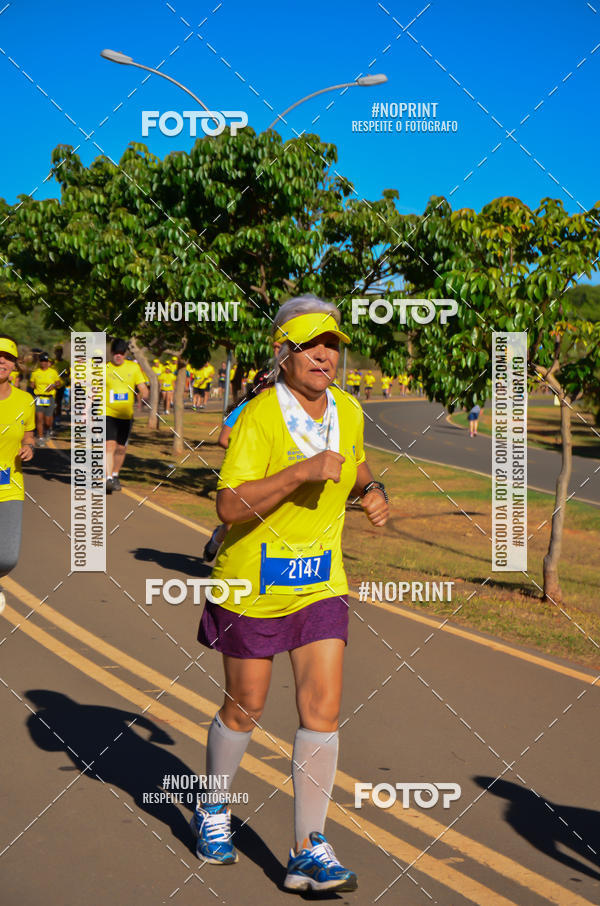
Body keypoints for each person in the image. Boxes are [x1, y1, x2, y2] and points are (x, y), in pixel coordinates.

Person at [193, 295, 389, 893]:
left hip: (320, 581)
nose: (324, 356)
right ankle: (213, 807)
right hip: (251, 582)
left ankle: (308, 848)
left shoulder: (348, 410)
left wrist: (372, 486)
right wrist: (300, 473)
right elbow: (228, 505)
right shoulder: (258, 417)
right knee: (246, 706)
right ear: (283, 353)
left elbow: (351, 461)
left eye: (332, 345)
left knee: (322, 709)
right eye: (310, 345)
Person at [203, 367, 273, 563]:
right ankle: (217, 539)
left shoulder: (280, 411)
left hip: (268, 474)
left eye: (272, 387)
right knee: (234, 522)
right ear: (257, 388)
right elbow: (223, 439)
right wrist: (248, 451)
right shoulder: (245, 408)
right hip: (244, 471)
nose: (268, 391)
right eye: (264, 387)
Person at [0, 335, 35, 613]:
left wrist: (28, 448)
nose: (2, 361)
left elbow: (29, 436)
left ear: (14, 366)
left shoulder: (25, 400)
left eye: (8, 357)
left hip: (9, 485)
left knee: (7, 558)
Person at [105, 338, 148, 493]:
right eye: (116, 352)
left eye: (121, 353)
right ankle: (108, 478)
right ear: (111, 353)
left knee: (121, 448)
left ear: (125, 354)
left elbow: (142, 386)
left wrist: (144, 393)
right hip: (108, 413)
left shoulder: (134, 368)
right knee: (109, 445)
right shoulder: (104, 369)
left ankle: (115, 475)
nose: (119, 355)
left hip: (126, 416)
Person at [30, 352, 62, 446]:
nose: (44, 363)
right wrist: (32, 385)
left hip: (50, 398)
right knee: (39, 418)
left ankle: (48, 429)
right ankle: (40, 438)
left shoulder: (53, 372)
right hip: (39, 397)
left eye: (45, 361)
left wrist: (53, 385)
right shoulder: (35, 373)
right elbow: (32, 384)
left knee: (47, 421)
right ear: (40, 362)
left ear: (48, 362)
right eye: (42, 361)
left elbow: (58, 383)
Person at [52, 345, 70, 427]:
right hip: (52, 385)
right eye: (57, 351)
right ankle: (51, 417)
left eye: (60, 351)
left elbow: (68, 373)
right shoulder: (52, 362)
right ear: (55, 352)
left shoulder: (66, 363)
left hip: (61, 385)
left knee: (58, 402)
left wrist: (64, 376)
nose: (58, 353)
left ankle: (58, 419)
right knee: (52, 402)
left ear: (62, 352)